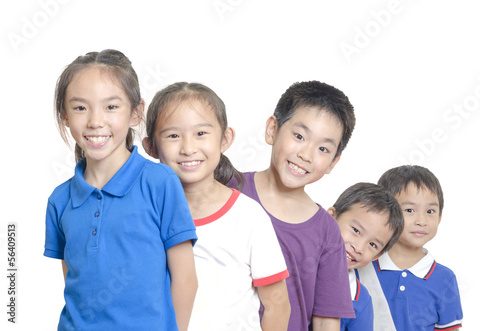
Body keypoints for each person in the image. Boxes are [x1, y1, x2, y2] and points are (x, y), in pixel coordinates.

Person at [44, 50, 198, 331]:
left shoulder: (160, 182)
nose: (95, 121)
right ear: (64, 115)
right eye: (80, 108)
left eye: (111, 107)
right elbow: (74, 278)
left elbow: (185, 279)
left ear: (136, 112)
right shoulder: (59, 199)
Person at [143, 82, 291, 331]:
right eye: (173, 136)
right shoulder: (144, 214)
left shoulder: (248, 216)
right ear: (151, 146)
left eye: (201, 133)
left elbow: (277, 305)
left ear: (225, 139)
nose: (188, 148)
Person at [228, 80, 356, 330]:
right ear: (272, 130)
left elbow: (326, 320)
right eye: (299, 136)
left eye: (322, 148)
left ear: (333, 162)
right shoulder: (227, 189)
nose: (306, 155)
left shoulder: (328, 232)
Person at [358, 165, 463, 331]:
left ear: (440, 217)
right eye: (409, 210)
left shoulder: (445, 279)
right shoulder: (363, 265)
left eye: (430, 211)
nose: (421, 220)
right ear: (386, 213)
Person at [326, 182, 404, 331]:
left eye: (373, 245)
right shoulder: (291, 259)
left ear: (377, 256)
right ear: (331, 217)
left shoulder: (360, 302)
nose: (359, 247)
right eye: (356, 230)